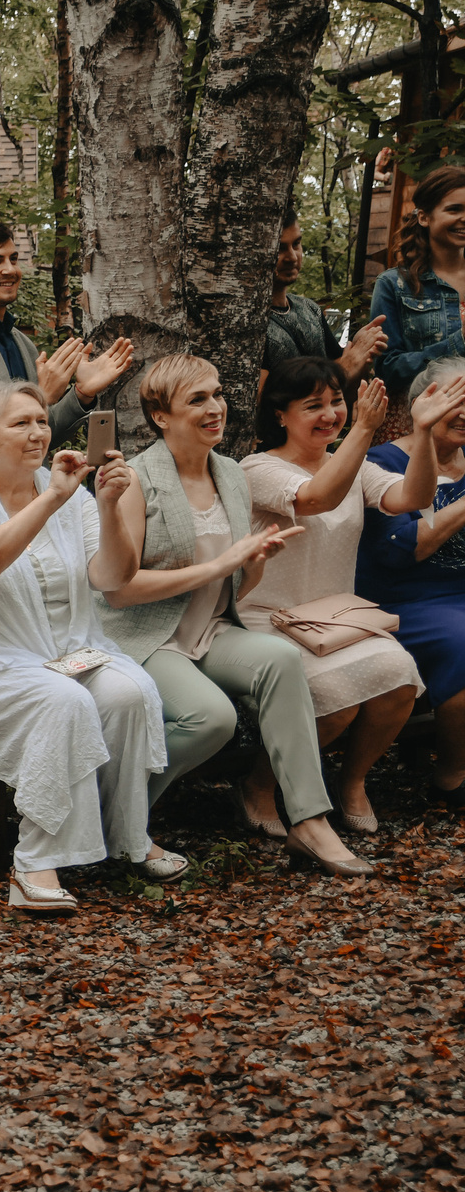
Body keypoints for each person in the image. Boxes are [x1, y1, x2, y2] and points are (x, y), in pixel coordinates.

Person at [92, 354, 372, 876]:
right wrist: (219, 564)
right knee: (211, 718)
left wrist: (253, 563)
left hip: (212, 629)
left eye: (217, 394)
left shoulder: (232, 474)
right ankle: (113, 813)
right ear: (161, 417)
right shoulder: (135, 480)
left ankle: (310, 821)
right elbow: (120, 593)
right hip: (147, 635)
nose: (215, 407)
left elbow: (235, 583)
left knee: (281, 661)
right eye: (197, 399)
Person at [0, 381, 171, 912]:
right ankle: (34, 864)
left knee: (131, 690)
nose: (37, 433)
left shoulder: (69, 491)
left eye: (42, 421)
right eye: (20, 423)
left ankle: (127, 838)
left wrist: (112, 506)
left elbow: (113, 579)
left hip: (65, 647)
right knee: (64, 701)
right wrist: (52, 499)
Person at [240, 359, 422, 832]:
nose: (330, 414)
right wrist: (363, 429)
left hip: (336, 615)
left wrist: (424, 431)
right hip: (268, 615)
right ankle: (260, 784)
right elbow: (315, 498)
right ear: (280, 415)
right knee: (334, 699)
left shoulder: (351, 463)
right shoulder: (258, 467)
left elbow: (412, 497)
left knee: (401, 676)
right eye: (313, 405)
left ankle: (352, 781)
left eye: (336, 401)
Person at [0, 215, 134, 491]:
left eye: (13, 259)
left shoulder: (21, 342)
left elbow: (39, 434)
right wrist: (40, 395)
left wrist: (81, 394)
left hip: (30, 503)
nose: (10, 270)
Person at [357, 363, 465, 806]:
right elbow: (401, 549)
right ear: (424, 404)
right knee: (462, 641)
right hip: (408, 597)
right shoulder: (384, 463)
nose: (464, 412)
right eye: (455, 401)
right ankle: (453, 774)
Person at [370, 165, 465, 394]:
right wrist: (459, 341)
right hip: (417, 420)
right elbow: (387, 369)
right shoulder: (394, 285)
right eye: (454, 209)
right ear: (424, 217)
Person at [268, 214, 386, 386]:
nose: (292, 257)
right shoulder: (252, 322)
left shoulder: (310, 309)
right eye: (280, 248)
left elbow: (342, 380)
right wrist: (351, 361)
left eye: (296, 244)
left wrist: (359, 349)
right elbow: (265, 398)